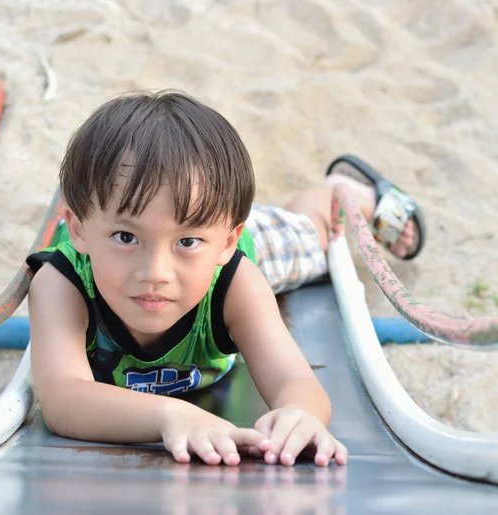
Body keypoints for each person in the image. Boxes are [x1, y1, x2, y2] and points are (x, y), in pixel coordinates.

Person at [27, 90, 424, 468]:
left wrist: (299, 415)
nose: (155, 273)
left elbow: (294, 380)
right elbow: (64, 400)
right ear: (78, 230)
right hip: (166, 245)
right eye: (126, 237)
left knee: (311, 235)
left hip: (235, 255)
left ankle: (341, 195)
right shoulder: (62, 284)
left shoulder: (236, 281)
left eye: (186, 241)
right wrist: (171, 416)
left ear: (227, 242)